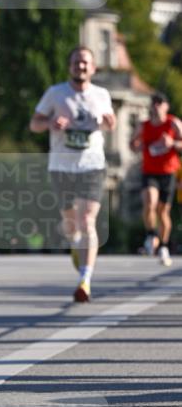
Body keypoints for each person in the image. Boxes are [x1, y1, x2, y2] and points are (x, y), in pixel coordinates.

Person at [30, 46, 116, 302]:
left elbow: (111, 121)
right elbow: (34, 124)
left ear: (93, 68)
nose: (81, 66)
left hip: (92, 165)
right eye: (77, 62)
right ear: (70, 66)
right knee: (71, 224)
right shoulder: (55, 94)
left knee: (87, 219)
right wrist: (50, 124)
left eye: (85, 63)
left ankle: (85, 280)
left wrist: (110, 122)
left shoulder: (101, 94)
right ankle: (75, 242)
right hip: (61, 167)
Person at [129, 92, 182, 266]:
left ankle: (164, 245)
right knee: (149, 203)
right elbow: (132, 144)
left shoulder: (173, 123)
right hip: (149, 171)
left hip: (168, 172)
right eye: (154, 103)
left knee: (162, 212)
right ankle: (151, 234)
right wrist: (136, 145)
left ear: (166, 106)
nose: (156, 106)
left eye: (160, 103)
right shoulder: (143, 126)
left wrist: (172, 144)